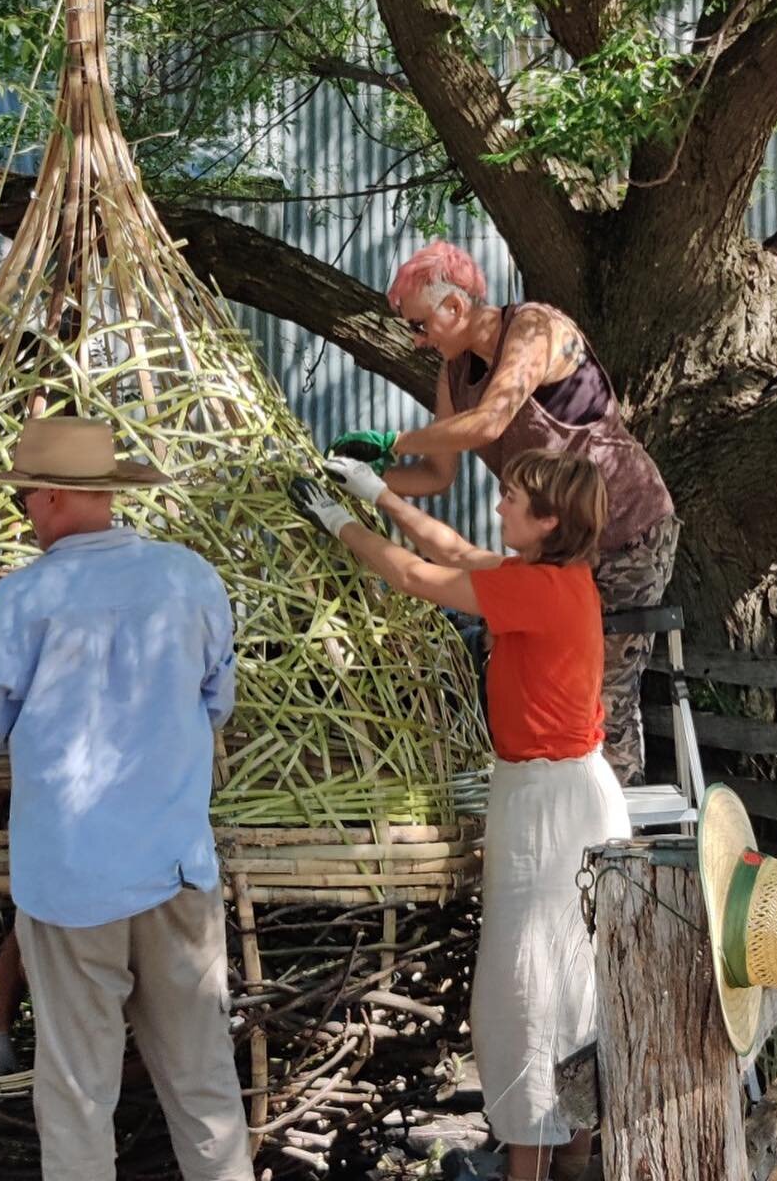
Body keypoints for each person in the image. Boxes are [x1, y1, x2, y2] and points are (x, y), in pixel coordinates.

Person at [291, 449, 630, 1181]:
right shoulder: (551, 578)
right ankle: (570, 1157)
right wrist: (381, 495)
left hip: (550, 807)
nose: (500, 505)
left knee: (530, 985)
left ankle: (531, 1166)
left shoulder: (541, 591)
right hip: (555, 793)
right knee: (562, 985)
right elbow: (456, 551)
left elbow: (420, 576)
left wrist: (339, 525)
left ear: (548, 522)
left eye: (514, 499)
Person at [0, 416, 252, 1181]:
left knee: (79, 1094)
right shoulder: (191, 578)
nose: (21, 511)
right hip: (176, 869)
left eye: (22, 497)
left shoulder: (20, 602)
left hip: (73, 885)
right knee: (205, 1085)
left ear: (49, 497)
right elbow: (219, 703)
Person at [333, 240, 677, 786]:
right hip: (556, 548)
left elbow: (491, 421)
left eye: (421, 326)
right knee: (542, 673)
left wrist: (392, 440)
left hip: (624, 530)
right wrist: (357, 482)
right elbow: (438, 475)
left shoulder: (535, 329)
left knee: (603, 686)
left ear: (453, 308)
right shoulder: (453, 375)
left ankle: (617, 839)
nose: (417, 341)